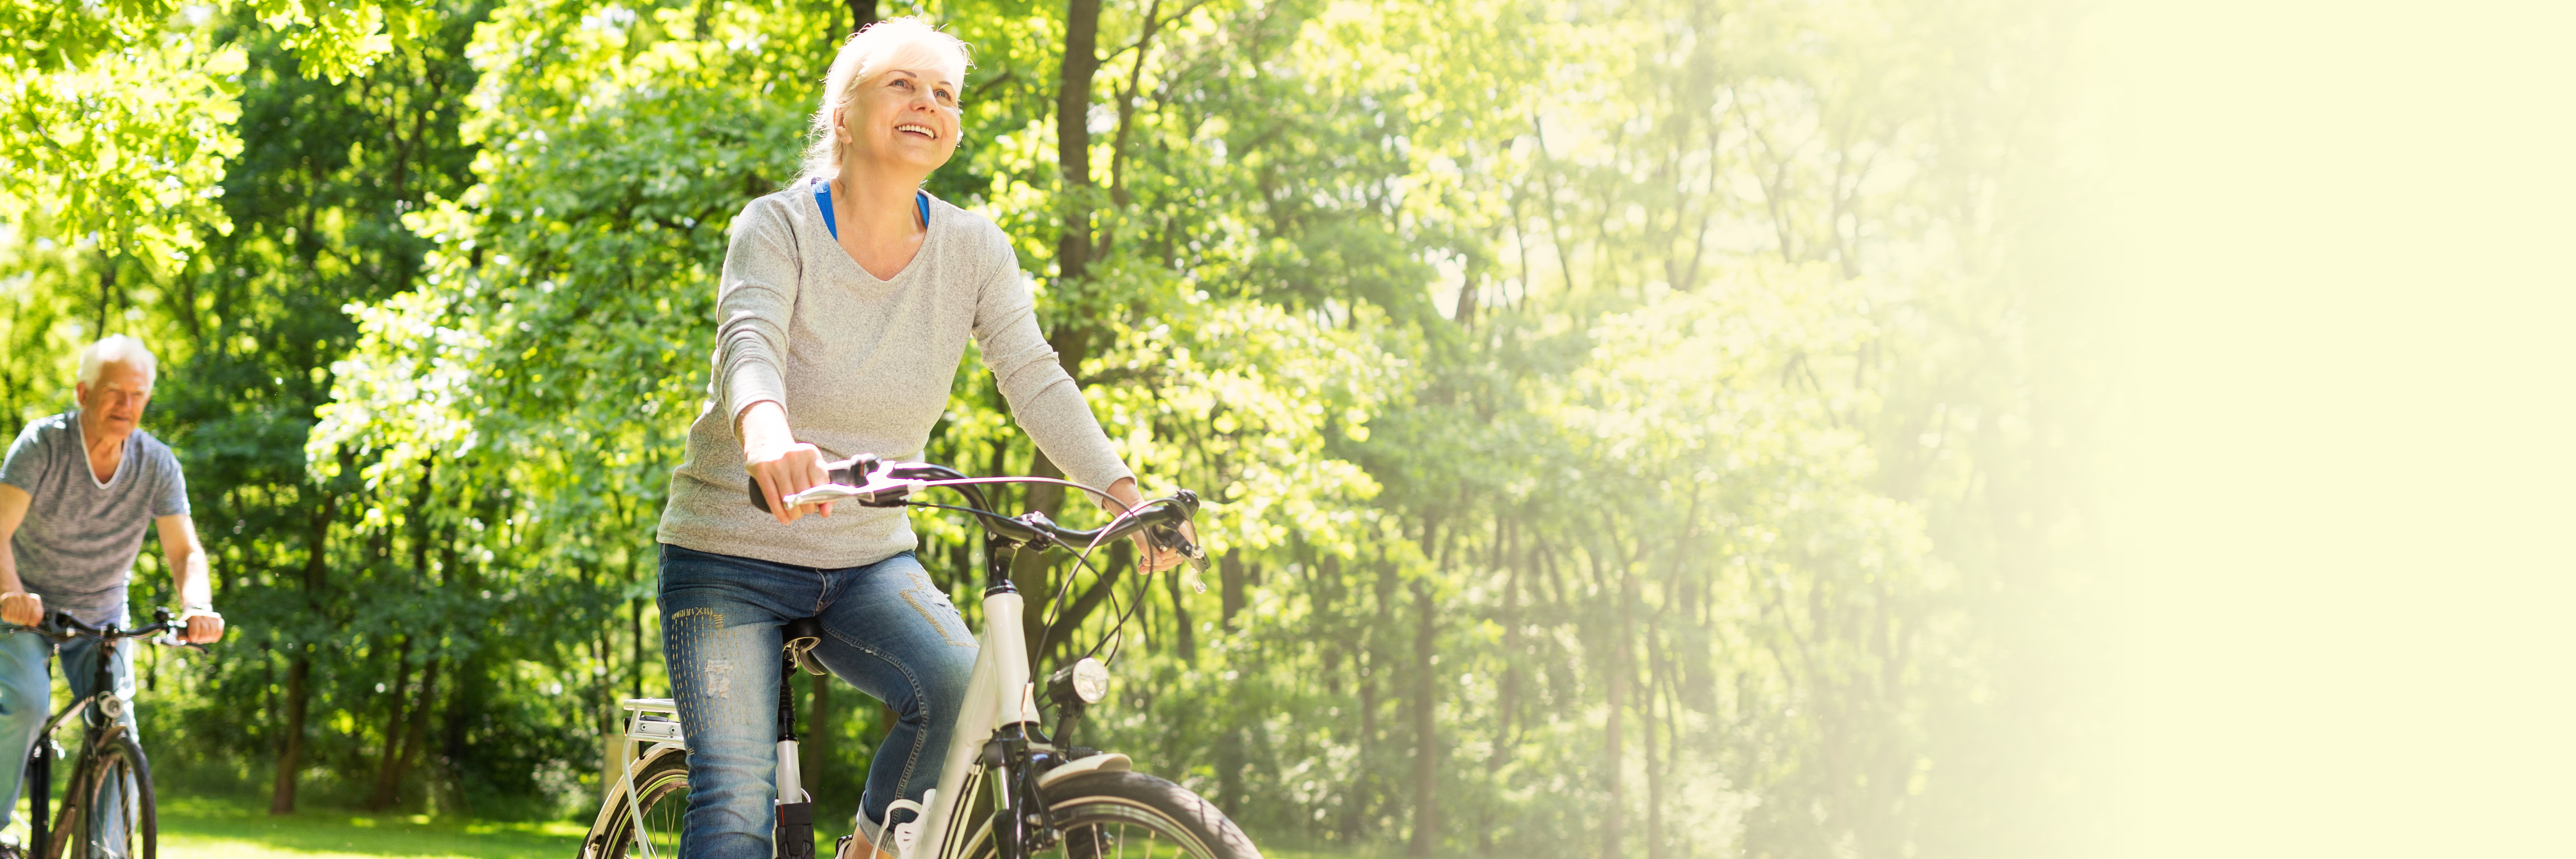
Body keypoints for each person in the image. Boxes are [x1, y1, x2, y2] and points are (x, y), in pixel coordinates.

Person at [652, 17, 1186, 859]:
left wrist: (1124, 492)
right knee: (733, 805)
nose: (927, 103)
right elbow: (747, 344)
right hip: (731, 555)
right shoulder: (778, 226)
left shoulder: (974, 248)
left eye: (944, 94)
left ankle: (869, 852)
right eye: (903, 83)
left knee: (959, 687)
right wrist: (768, 439)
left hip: (866, 558)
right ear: (843, 114)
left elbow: (1035, 378)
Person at [0, 335, 226, 838]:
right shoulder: (43, 446)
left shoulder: (157, 464)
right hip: (26, 609)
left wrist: (198, 607)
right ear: (83, 393)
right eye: (113, 393)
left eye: (137, 395)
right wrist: (11, 594)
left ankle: (110, 850)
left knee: (117, 723)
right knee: (28, 703)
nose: (126, 406)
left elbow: (185, 551)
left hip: (100, 613)